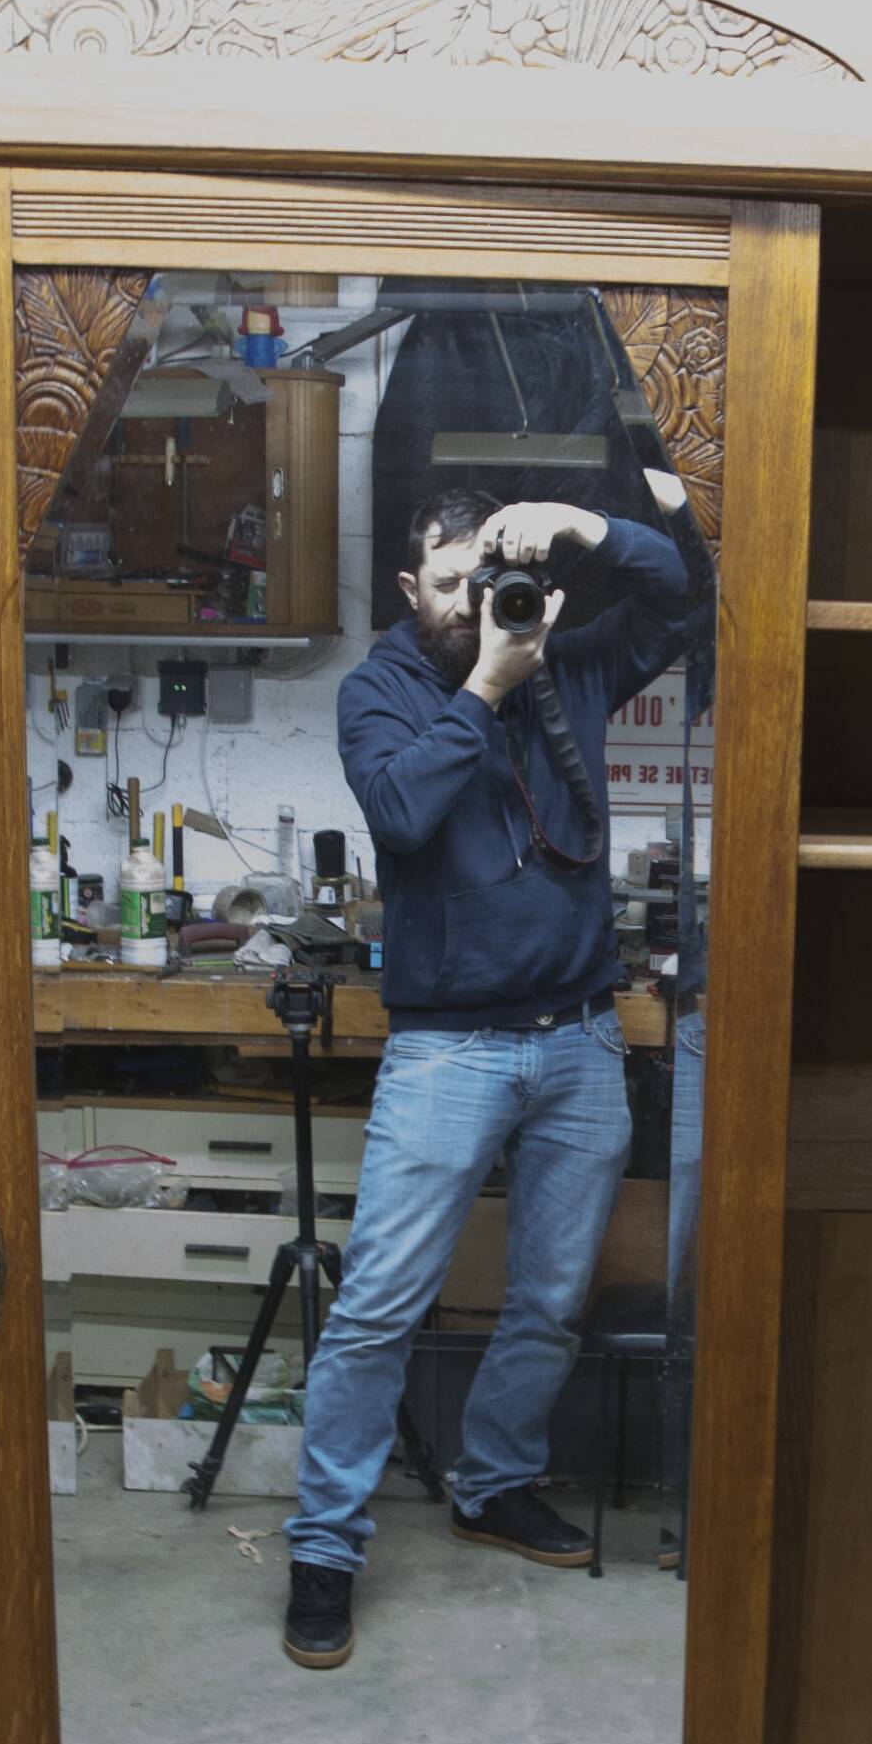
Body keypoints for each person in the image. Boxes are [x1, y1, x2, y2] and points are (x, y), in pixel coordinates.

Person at [281, 488, 689, 1670]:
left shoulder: (571, 661)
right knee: (376, 1311)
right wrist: (486, 689)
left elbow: (684, 594)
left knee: (550, 1298)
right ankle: (323, 1548)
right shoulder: (383, 691)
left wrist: (581, 526)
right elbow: (402, 813)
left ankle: (493, 1480)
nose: (475, 601)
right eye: (449, 583)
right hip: (446, 1050)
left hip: (579, 1039)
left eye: (489, 575)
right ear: (412, 592)